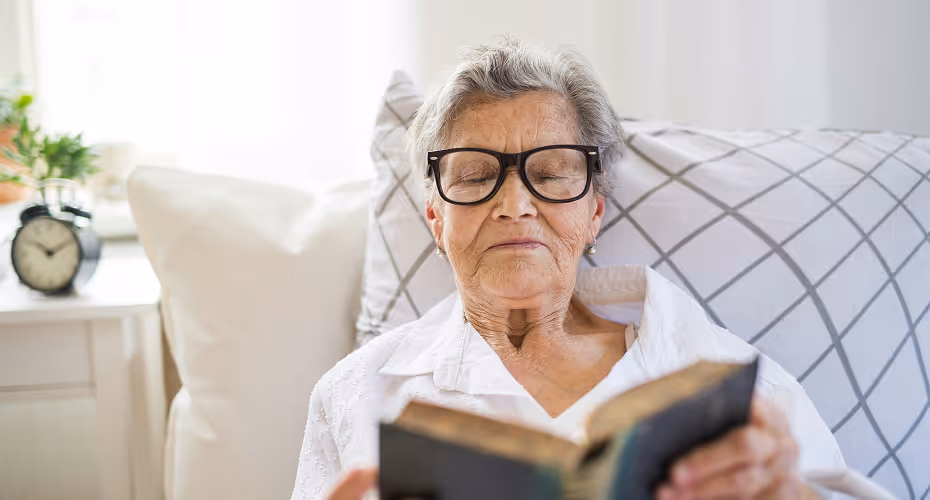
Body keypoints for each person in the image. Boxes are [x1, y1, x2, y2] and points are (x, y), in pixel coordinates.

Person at [291, 37, 856, 500]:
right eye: (474, 176)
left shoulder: (748, 391)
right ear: (437, 220)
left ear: (595, 213)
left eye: (554, 172)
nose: (514, 205)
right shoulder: (351, 395)